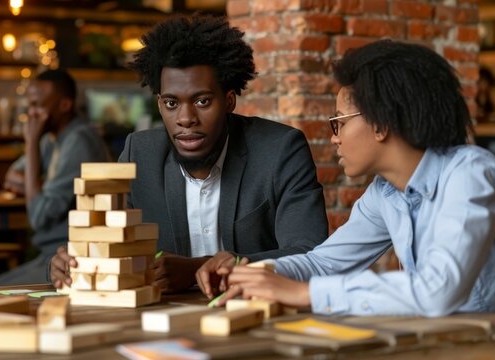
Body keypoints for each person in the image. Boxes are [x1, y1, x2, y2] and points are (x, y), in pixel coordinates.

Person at [220, 40, 495, 318]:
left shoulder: (470, 173)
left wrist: (306, 295)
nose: (335, 138)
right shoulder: (385, 193)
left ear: (380, 123)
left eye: (339, 123)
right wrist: (261, 273)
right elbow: (324, 263)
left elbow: (439, 291)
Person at [49, 15, 328, 295]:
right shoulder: (140, 155)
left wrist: (200, 268)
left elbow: (310, 254)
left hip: (255, 315)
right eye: (172, 103)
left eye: (202, 101)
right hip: (163, 322)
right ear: (159, 105)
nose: (186, 118)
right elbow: (109, 243)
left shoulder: (280, 150)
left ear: (229, 100)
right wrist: (75, 261)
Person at [0, 69, 109, 286]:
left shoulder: (78, 142)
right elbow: (12, 177)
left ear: (65, 105)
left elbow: (38, 216)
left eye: (38, 106)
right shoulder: (50, 139)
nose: (31, 115)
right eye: (29, 106)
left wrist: (30, 143)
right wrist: (41, 186)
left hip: (72, 257)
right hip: (50, 256)